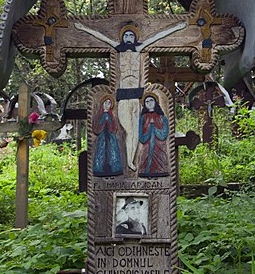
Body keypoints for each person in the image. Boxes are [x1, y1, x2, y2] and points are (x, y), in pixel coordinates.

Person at [74, 20, 186, 171]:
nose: (128, 37)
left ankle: (131, 161)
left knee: (134, 131)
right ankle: (129, 160)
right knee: (128, 131)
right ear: (122, 38)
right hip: (123, 97)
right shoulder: (118, 49)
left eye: (130, 35)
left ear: (135, 38)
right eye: (125, 35)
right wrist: (83, 27)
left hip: (135, 97)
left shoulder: (139, 49)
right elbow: (101, 37)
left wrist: (177, 27)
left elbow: (157, 37)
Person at [138, 93, 169, 177]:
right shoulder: (143, 117)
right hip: (147, 143)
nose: (149, 103)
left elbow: (165, 132)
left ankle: (159, 172)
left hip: (158, 144)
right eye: (147, 101)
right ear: (144, 104)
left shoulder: (162, 117)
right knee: (146, 156)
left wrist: (154, 128)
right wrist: (148, 131)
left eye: (151, 100)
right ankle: (145, 172)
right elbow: (140, 133)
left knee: (159, 158)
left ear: (156, 102)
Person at [92, 95, 123, 177]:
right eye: (106, 102)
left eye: (109, 103)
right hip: (102, 138)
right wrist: (103, 121)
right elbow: (96, 127)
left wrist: (108, 121)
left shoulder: (111, 115)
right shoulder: (99, 115)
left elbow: (114, 127)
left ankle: (113, 171)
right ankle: (101, 171)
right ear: (102, 104)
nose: (107, 104)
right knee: (101, 153)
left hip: (110, 138)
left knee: (112, 154)